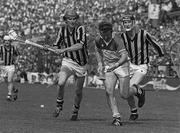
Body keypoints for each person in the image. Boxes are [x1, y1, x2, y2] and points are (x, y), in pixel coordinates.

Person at [95, 21, 145, 126]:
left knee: (124, 94)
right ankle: (116, 117)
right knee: (109, 92)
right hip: (109, 66)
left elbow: (124, 57)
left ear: (111, 31)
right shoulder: (98, 39)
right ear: (100, 32)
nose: (105, 36)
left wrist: (116, 65)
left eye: (107, 34)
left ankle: (137, 90)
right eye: (103, 34)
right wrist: (100, 63)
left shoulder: (117, 40)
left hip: (121, 66)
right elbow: (97, 51)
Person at [121, 14, 164, 121]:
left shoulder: (143, 34)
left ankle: (140, 92)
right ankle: (134, 111)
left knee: (127, 89)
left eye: (128, 22)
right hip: (129, 65)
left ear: (133, 22)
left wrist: (161, 55)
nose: (127, 24)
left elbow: (156, 44)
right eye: (125, 22)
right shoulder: (122, 36)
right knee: (125, 90)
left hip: (141, 66)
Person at [51, 9, 88, 121]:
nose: (72, 21)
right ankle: (59, 104)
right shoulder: (62, 30)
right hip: (68, 61)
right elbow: (56, 45)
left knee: (78, 91)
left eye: (74, 19)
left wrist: (64, 49)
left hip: (81, 64)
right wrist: (52, 49)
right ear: (65, 20)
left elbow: (80, 45)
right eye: (69, 19)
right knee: (61, 82)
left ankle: (75, 109)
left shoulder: (80, 28)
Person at [0, 34, 20, 101]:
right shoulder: (1, 48)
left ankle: (9, 95)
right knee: (7, 81)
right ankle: (15, 90)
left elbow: (17, 55)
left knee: (9, 80)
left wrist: (16, 61)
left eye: (8, 41)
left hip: (11, 66)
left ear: (10, 41)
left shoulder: (13, 48)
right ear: (4, 41)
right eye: (6, 41)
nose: (7, 42)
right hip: (3, 67)